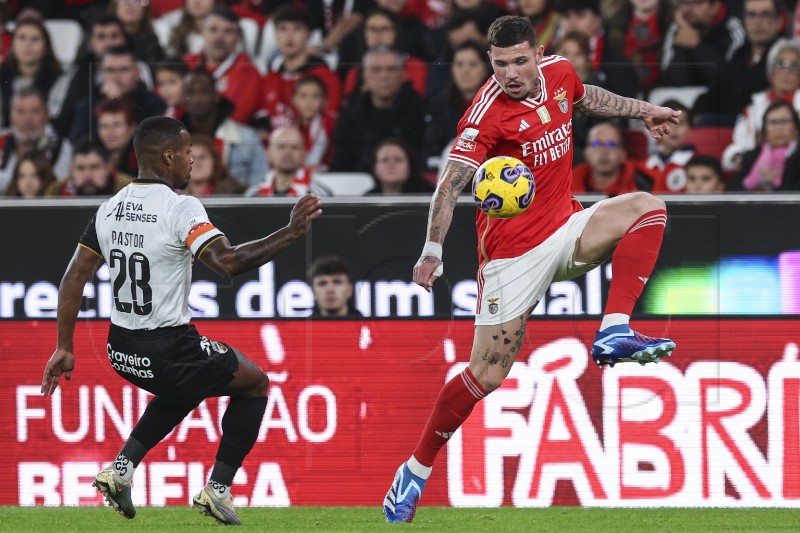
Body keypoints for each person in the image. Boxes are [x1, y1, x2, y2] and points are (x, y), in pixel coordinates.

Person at [382, 16, 679, 523]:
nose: (511, 73)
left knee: (648, 207)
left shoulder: (560, 73)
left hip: (566, 228)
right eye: (500, 65)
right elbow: (449, 185)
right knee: (486, 375)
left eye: (520, 61)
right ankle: (414, 471)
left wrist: (644, 111)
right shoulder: (483, 116)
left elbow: (585, 97)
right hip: (511, 258)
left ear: (538, 53)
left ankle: (613, 330)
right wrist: (432, 248)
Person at [40, 116, 322, 526]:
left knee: (187, 384)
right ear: (168, 156)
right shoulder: (180, 207)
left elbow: (73, 278)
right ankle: (218, 490)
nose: (192, 161)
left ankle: (120, 471)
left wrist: (64, 346)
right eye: (188, 152)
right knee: (256, 382)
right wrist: (291, 233)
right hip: (168, 347)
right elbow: (227, 262)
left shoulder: (110, 208)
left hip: (120, 349)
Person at [571, 121, 665, 194]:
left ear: (623, 154)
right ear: (586, 152)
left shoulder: (647, 181)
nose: (604, 151)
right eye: (597, 144)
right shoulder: (569, 181)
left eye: (612, 145)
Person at [45, 138, 131, 197]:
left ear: (108, 167)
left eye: (94, 167)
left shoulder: (130, 190)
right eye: (80, 168)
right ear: (71, 169)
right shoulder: (56, 193)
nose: (87, 176)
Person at [247, 126, 313, 197]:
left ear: (304, 154)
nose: (287, 153)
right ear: (268, 153)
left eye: (294, 147)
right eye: (281, 147)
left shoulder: (317, 194)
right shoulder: (254, 194)